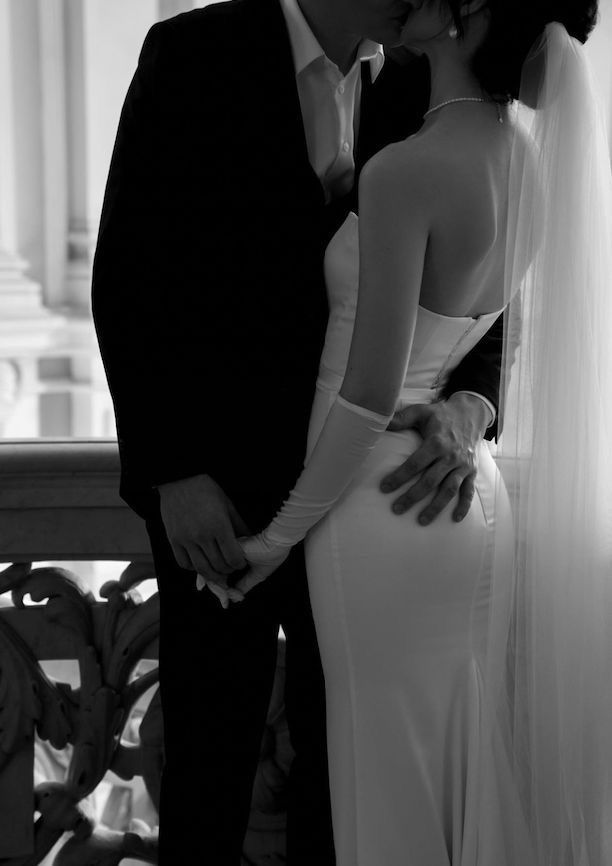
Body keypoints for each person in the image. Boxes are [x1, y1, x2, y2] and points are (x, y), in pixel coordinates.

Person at [91, 0, 507, 862]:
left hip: (373, 506)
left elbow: (485, 286)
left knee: (347, 773)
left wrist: (473, 405)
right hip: (223, 502)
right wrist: (172, 472)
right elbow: (129, 276)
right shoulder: (193, 54)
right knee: (206, 773)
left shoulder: (428, 83)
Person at [216, 0, 612, 864]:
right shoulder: (528, 166)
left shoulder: (405, 170)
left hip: (378, 505)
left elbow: (364, 396)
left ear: (469, 17)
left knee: (386, 783)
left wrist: (278, 538)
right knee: (454, 762)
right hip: (469, 506)